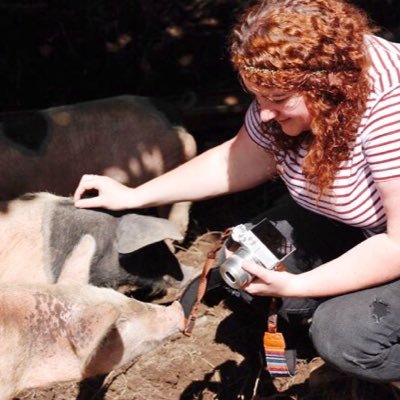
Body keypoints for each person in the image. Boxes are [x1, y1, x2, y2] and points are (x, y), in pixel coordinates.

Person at [74, 0, 400, 383]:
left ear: (328, 85)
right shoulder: (293, 89)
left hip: (392, 239)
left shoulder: (388, 108)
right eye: (258, 97)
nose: (263, 112)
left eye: (278, 99)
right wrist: (135, 194)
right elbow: (241, 158)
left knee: (346, 335)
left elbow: (396, 244)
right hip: (358, 224)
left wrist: (300, 284)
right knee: (245, 265)